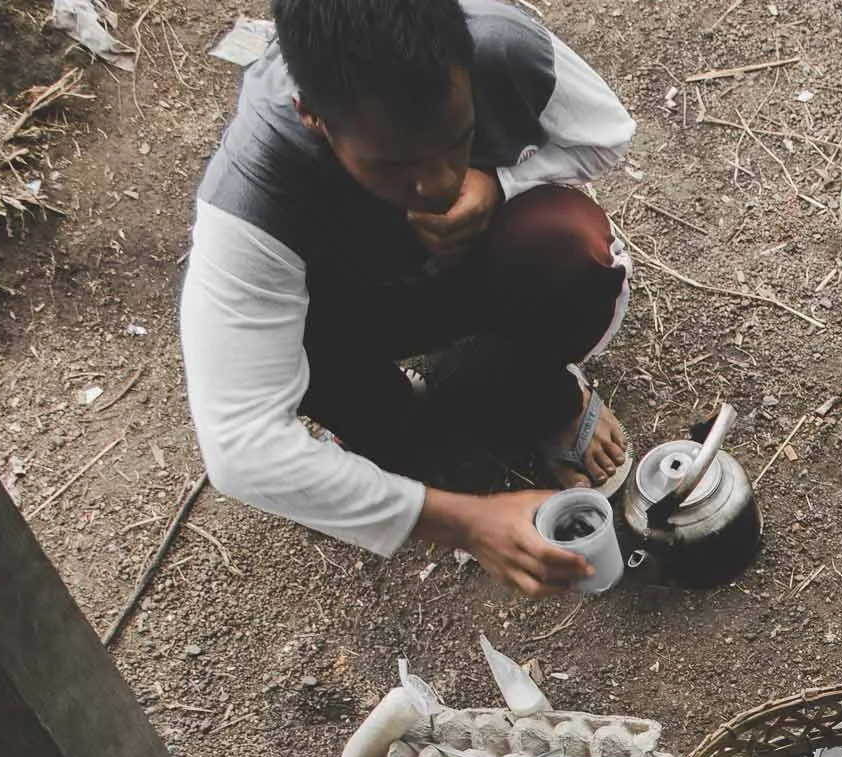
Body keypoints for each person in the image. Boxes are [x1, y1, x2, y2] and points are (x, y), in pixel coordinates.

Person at [180, 0, 638, 597]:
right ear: (312, 115)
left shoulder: (500, 46)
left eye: (459, 140)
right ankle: (398, 421)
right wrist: (464, 523)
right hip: (359, 313)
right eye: (394, 165)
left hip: (476, 271)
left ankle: (543, 394)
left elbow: (609, 135)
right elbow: (239, 446)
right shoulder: (255, 185)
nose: (441, 185)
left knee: (561, 244)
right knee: (276, 341)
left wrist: (500, 185)